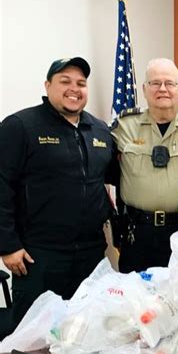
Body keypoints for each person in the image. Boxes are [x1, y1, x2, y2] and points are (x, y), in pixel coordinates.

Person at [0, 57, 114, 327]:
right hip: (39, 255)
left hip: (90, 253)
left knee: (85, 330)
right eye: (65, 81)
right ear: (48, 85)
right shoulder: (20, 126)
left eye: (81, 83)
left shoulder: (100, 130)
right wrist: (7, 245)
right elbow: (1, 185)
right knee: (35, 336)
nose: (74, 89)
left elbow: (108, 182)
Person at [111, 58, 178, 272]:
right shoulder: (123, 126)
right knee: (136, 300)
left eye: (169, 83)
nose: (162, 89)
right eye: (155, 83)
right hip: (137, 234)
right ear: (145, 89)